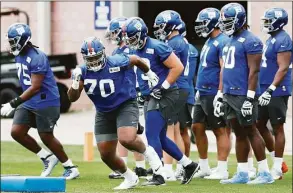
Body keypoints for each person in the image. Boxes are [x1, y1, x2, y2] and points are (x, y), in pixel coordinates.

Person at [67, 36, 165, 190]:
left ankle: (150, 155)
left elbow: (136, 59)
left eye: (96, 57)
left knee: (126, 138)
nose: (93, 62)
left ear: (103, 54)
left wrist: (149, 72)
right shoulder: (82, 71)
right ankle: (129, 177)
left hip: (125, 104)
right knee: (106, 154)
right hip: (103, 112)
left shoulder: (117, 61)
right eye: (89, 59)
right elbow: (72, 98)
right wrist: (74, 84)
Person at [123, 17, 199, 186]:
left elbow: (177, 67)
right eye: (129, 39)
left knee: (151, 135)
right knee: (160, 136)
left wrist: (163, 86)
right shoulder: (136, 50)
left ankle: (160, 175)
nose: (131, 42)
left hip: (165, 94)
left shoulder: (157, 46)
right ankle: (189, 165)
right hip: (153, 94)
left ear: (142, 34)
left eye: (133, 38)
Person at [1, 23, 79, 180]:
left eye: (13, 40)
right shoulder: (19, 53)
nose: (11, 44)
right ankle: (47, 157)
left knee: (46, 135)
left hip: (46, 100)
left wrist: (13, 103)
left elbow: (35, 87)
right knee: (17, 132)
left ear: (23, 40)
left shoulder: (37, 57)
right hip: (30, 100)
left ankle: (70, 167)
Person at [214, 3, 274, 184]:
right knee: (238, 132)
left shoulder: (251, 40)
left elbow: (254, 71)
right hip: (229, 93)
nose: (225, 25)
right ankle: (242, 172)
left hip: (243, 94)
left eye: (229, 21)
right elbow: (225, 69)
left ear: (240, 20)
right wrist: (220, 93)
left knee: (251, 130)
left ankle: (265, 173)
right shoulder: (229, 40)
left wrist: (250, 97)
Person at [105, 17, 148, 179]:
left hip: (129, 94)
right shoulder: (122, 51)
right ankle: (140, 167)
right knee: (132, 131)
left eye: (115, 32)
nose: (112, 36)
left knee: (127, 132)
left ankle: (128, 166)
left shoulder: (129, 51)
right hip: (130, 92)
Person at [192, 7, 231, 180]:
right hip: (202, 91)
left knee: (219, 129)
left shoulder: (223, 41)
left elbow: (224, 68)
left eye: (203, 23)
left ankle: (222, 169)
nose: (200, 27)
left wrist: (220, 92)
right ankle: (205, 166)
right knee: (197, 127)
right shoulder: (209, 40)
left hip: (214, 91)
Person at [153, 10, 190, 181]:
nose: (159, 30)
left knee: (168, 128)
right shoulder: (178, 41)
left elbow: (168, 66)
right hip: (180, 87)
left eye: (162, 27)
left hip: (175, 87)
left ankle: (169, 168)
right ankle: (182, 166)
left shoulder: (175, 43)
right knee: (174, 128)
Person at [257, 7, 292, 180]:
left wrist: (270, 89)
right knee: (259, 124)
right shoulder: (271, 38)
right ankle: (277, 161)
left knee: (277, 126)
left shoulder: (284, 39)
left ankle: (277, 167)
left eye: (269, 20)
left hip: (277, 89)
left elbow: (283, 67)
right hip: (264, 87)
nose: (266, 24)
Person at [175, 20, 199, 180]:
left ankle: (184, 164)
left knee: (181, 130)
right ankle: (182, 163)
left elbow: (184, 73)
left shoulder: (183, 47)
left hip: (182, 91)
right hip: (185, 90)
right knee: (180, 130)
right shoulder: (189, 48)